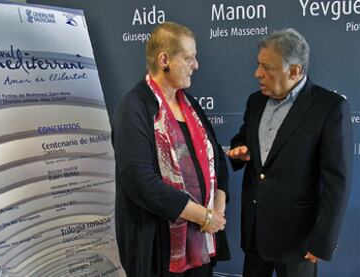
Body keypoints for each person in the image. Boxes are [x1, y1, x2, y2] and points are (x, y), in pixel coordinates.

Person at [226, 28, 353, 277]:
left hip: (299, 243)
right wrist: (241, 149)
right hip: (255, 236)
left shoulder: (329, 108)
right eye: (258, 65)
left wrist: (323, 241)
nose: (257, 73)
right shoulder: (255, 101)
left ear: (294, 71)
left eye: (267, 67)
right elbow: (244, 137)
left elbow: (338, 181)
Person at [113, 21, 230, 277]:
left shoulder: (190, 105)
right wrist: (202, 216)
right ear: (164, 59)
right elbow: (140, 182)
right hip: (158, 248)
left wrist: (217, 207)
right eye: (189, 58)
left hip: (199, 243)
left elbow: (217, 157)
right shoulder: (133, 107)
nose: (196, 65)